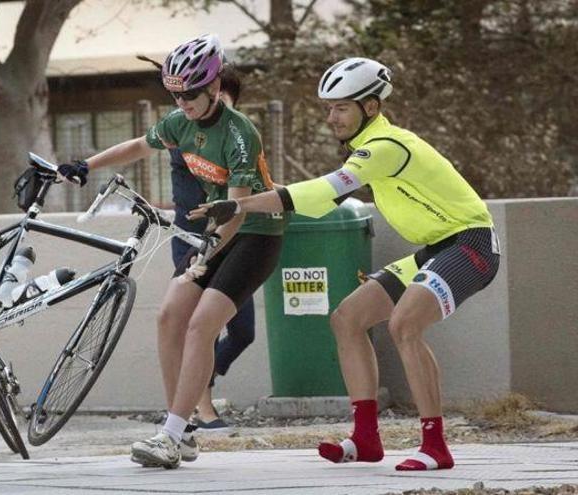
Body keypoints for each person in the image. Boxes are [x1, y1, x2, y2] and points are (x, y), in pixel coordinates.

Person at [190, 57, 500, 471]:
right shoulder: (368, 151)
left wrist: (241, 203)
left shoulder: (386, 147)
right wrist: (251, 196)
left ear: (370, 107)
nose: (330, 117)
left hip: (471, 244)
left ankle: (435, 446)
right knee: (348, 318)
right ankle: (367, 438)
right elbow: (319, 201)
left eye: (340, 107)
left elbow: (322, 191)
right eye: (328, 108)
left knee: (405, 324)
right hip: (436, 249)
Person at [59, 34, 286, 468]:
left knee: (202, 326)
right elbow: (137, 147)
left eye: (191, 95)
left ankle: (170, 435)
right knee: (169, 318)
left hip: (255, 232)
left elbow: (236, 209)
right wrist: (86, 166)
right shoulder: (180, 123)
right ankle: (179, 433)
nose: (182, 103)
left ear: (216, 86)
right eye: (175, 95)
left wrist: (203, 259)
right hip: (214, 232)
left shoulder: (240, 133)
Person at [166, 66, 255, 432]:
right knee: (197, 326)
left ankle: (199, 377)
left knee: (242, 331)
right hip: (194, 240)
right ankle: (201, 410)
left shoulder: (236, 137)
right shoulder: (185, 138)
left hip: (232, 240)